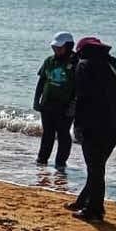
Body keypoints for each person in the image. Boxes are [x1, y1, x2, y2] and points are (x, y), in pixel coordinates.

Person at [68, 36, 116, 222]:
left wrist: (77, 126)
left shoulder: (85, 65)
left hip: (95, 125)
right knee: (97, 167)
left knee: (95, 168)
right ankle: (83, 201)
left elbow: (82, 98)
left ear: (82, 51)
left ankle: (95, 211)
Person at [34, 32, 78, 171]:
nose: (56, 50)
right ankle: (42, 160)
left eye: (60, 47)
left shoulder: (76, 63)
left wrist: (73, 105)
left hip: (65, 107)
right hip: (47, 104)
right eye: (55, 47)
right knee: (47, 133)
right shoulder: (49, 61)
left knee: (63, 134)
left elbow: (80, 87)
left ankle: (60, 164)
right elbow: (41, 81)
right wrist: (36, 100)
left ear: (69, 46)